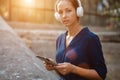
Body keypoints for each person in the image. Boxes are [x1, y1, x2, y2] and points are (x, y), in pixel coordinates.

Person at [44, 0, 107, 80]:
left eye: (68, 11)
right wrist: (55, 66)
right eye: (60, 12)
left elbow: (101, 75)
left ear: (78, 11)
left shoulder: (91, 39)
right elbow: (64, 74)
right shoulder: (60, 39)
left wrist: (74, 69)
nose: (64, 16)